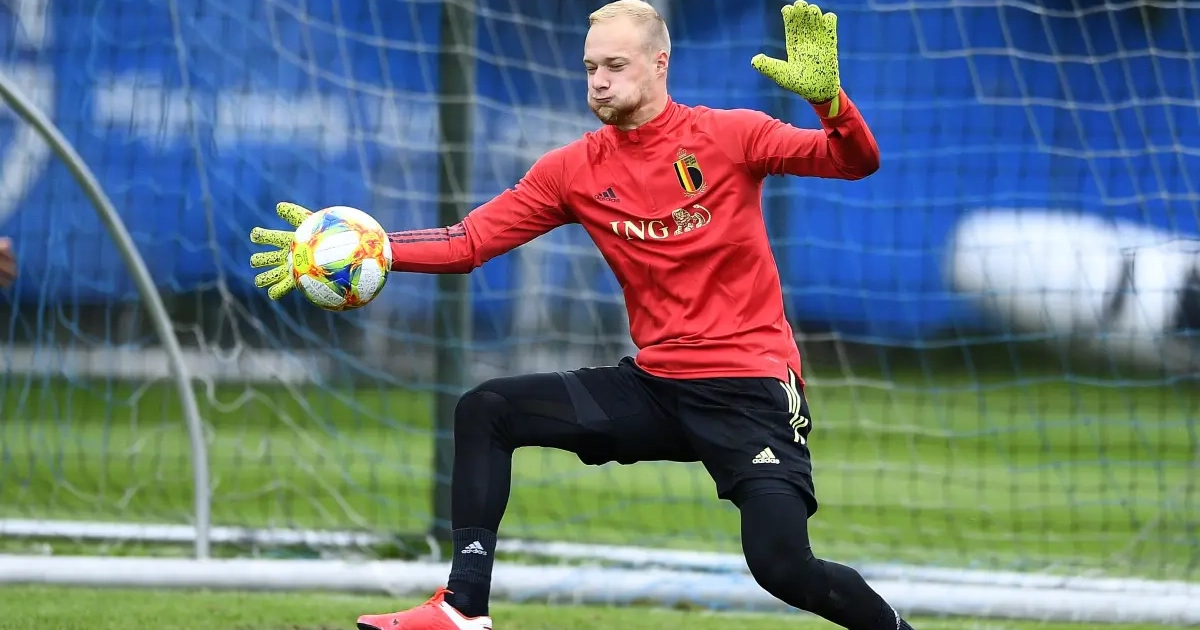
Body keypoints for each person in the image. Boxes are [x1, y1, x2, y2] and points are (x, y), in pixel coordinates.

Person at [250, 1, 908, 629]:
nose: (598, 80)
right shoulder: (573, 170)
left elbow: (854, 160)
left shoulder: (731, 135)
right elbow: (469, 242)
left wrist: (831, 104)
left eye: (615, 65)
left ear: (659, 64)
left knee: (781, 566)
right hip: (657, 388)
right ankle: (462, 607)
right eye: (591, 66)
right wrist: (374, 250)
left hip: (748, 388)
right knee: (487, 409)